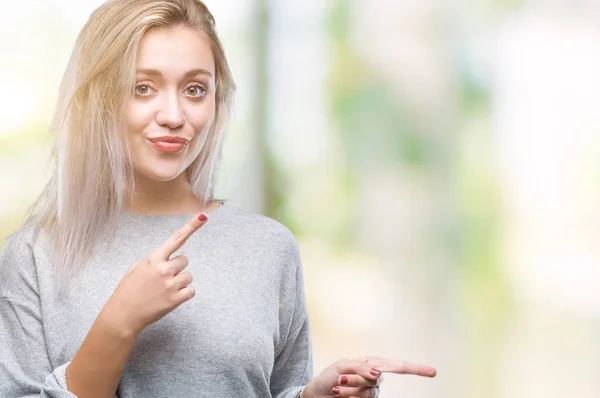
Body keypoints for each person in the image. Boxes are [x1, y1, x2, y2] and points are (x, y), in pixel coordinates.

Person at [0, 0, 437, 397]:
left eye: (194, 89)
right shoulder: (34, 256)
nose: (173, 116)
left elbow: (279, 387)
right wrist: (117, 324)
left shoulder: (269, 247)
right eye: (143, 88)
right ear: (99, 99)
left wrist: (316, 396)